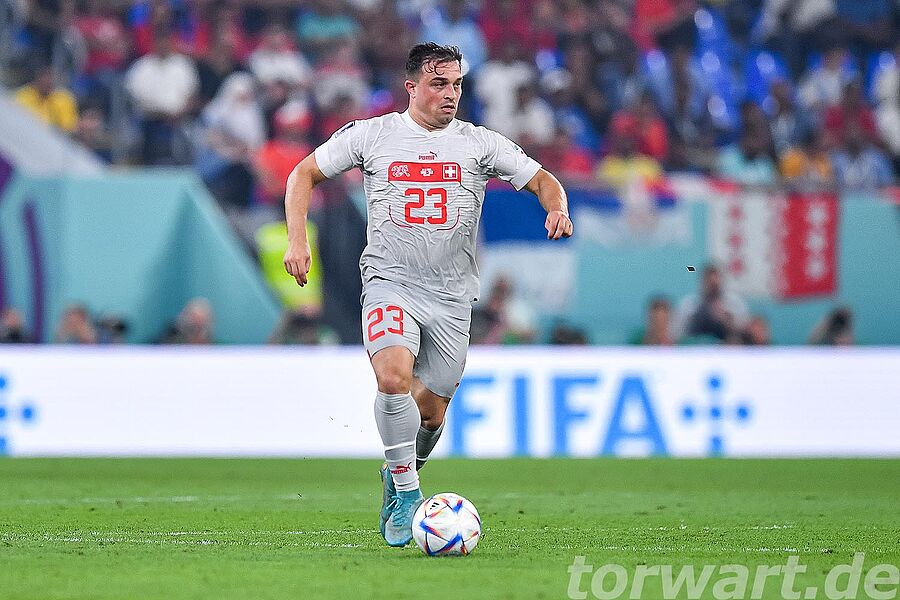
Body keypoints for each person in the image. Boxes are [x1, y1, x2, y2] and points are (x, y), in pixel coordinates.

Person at [282, 43, 572, 547]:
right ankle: (407, 493)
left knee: (431, 413)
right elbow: (302, 173)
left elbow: (544, 179)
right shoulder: (372, 135)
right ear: (411, 87)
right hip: (390, 282)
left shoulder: (480, 144)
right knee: (393, 376)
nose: (451, 93)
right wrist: (297, 239)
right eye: (439, 84)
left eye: (457, 84)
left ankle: (397, 471)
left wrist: (557, 208)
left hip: (453, 296)